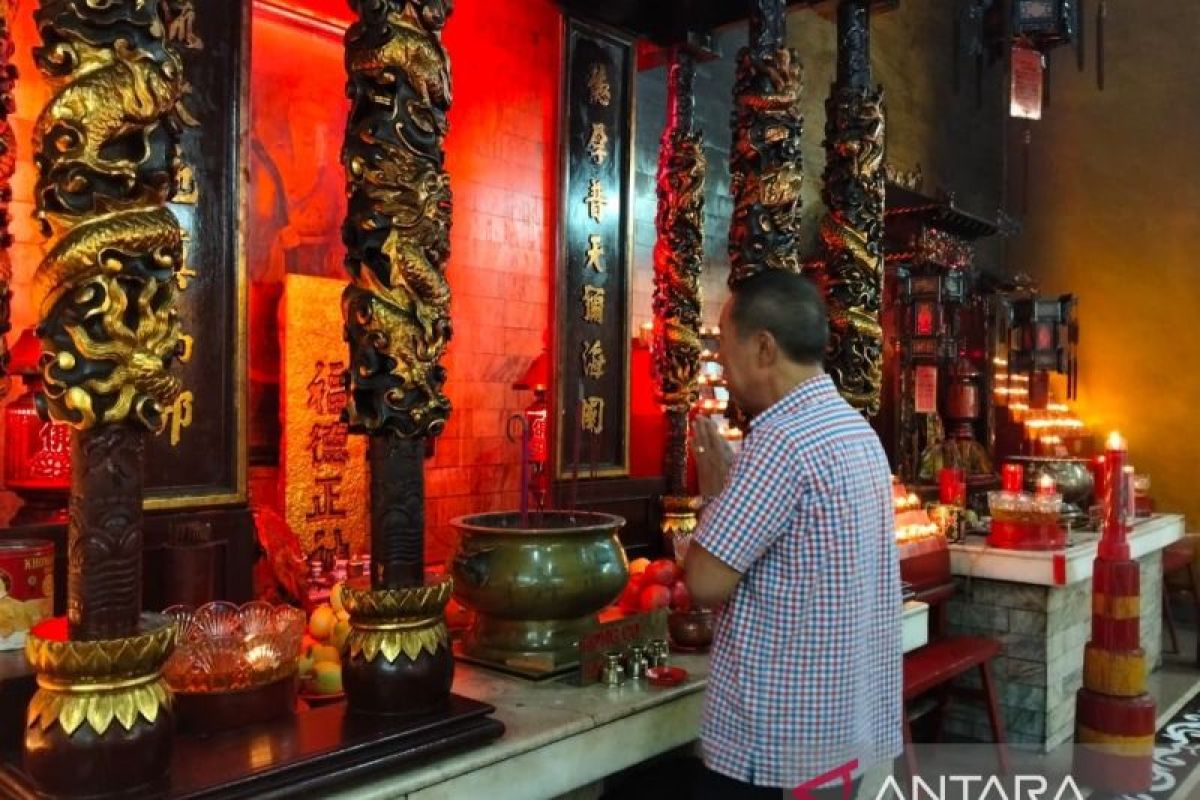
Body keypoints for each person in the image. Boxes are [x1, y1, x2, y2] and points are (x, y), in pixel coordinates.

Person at [684, 270, 901, 800]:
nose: (721, 364)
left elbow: (706, 582)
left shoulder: (781, 439)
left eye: (723, 342)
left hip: (778, 741)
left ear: (763, 347)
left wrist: (715, 487)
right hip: (839, 726)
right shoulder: (857, 431)